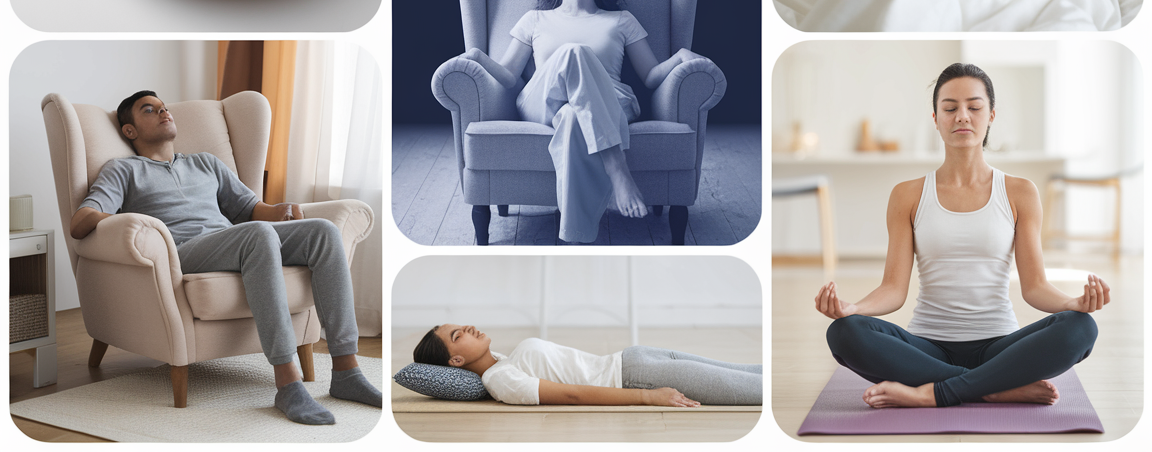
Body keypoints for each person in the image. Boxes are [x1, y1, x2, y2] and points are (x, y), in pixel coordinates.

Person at [68, 91, 382, 425]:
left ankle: (347, 372)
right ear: (130, 131)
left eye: (163, 107)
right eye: (150, 110)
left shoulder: (206, 162)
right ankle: (288, 382)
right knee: (257, 234)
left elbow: (251, 210)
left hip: (231, 241)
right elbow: (81, 221)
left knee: (323, 231)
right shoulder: (123, 170)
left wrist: (283, 210)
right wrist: (139, 224)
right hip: (183, 251)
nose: (163, 111)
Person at [815, 63, 1107, 408]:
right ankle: (994, 389)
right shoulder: (907, 195)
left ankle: (934, 392)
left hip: (1001, 346)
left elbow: (1035, 287)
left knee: (1081, 329)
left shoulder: (1020, 192)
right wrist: (853, 308)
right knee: (844, 333)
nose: (962, 117)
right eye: (950, 108)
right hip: (926, 347)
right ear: (936, 118)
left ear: (991, 115)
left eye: (974, 107)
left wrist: (1073, 304)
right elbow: (893, 289)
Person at [461, 0, 702, 243]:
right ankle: (618, 169)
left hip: (610, 103)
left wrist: (682, 57)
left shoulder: (621, 20)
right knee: (573, 53)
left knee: (575, 118)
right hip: (542, 102)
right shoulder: (535, 19)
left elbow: (651, 76)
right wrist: (477, 55)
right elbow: (508, 75)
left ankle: (575, 241)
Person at [413, 324, 762, 406]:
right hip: (638, 377)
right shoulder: (500, 381)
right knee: (754, 391)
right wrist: (648, 397)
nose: (470, 328)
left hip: (634, 357)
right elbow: (571, 395)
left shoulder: (503, 361)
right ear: (456, 360)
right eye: (459, 335)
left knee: (747, 371)